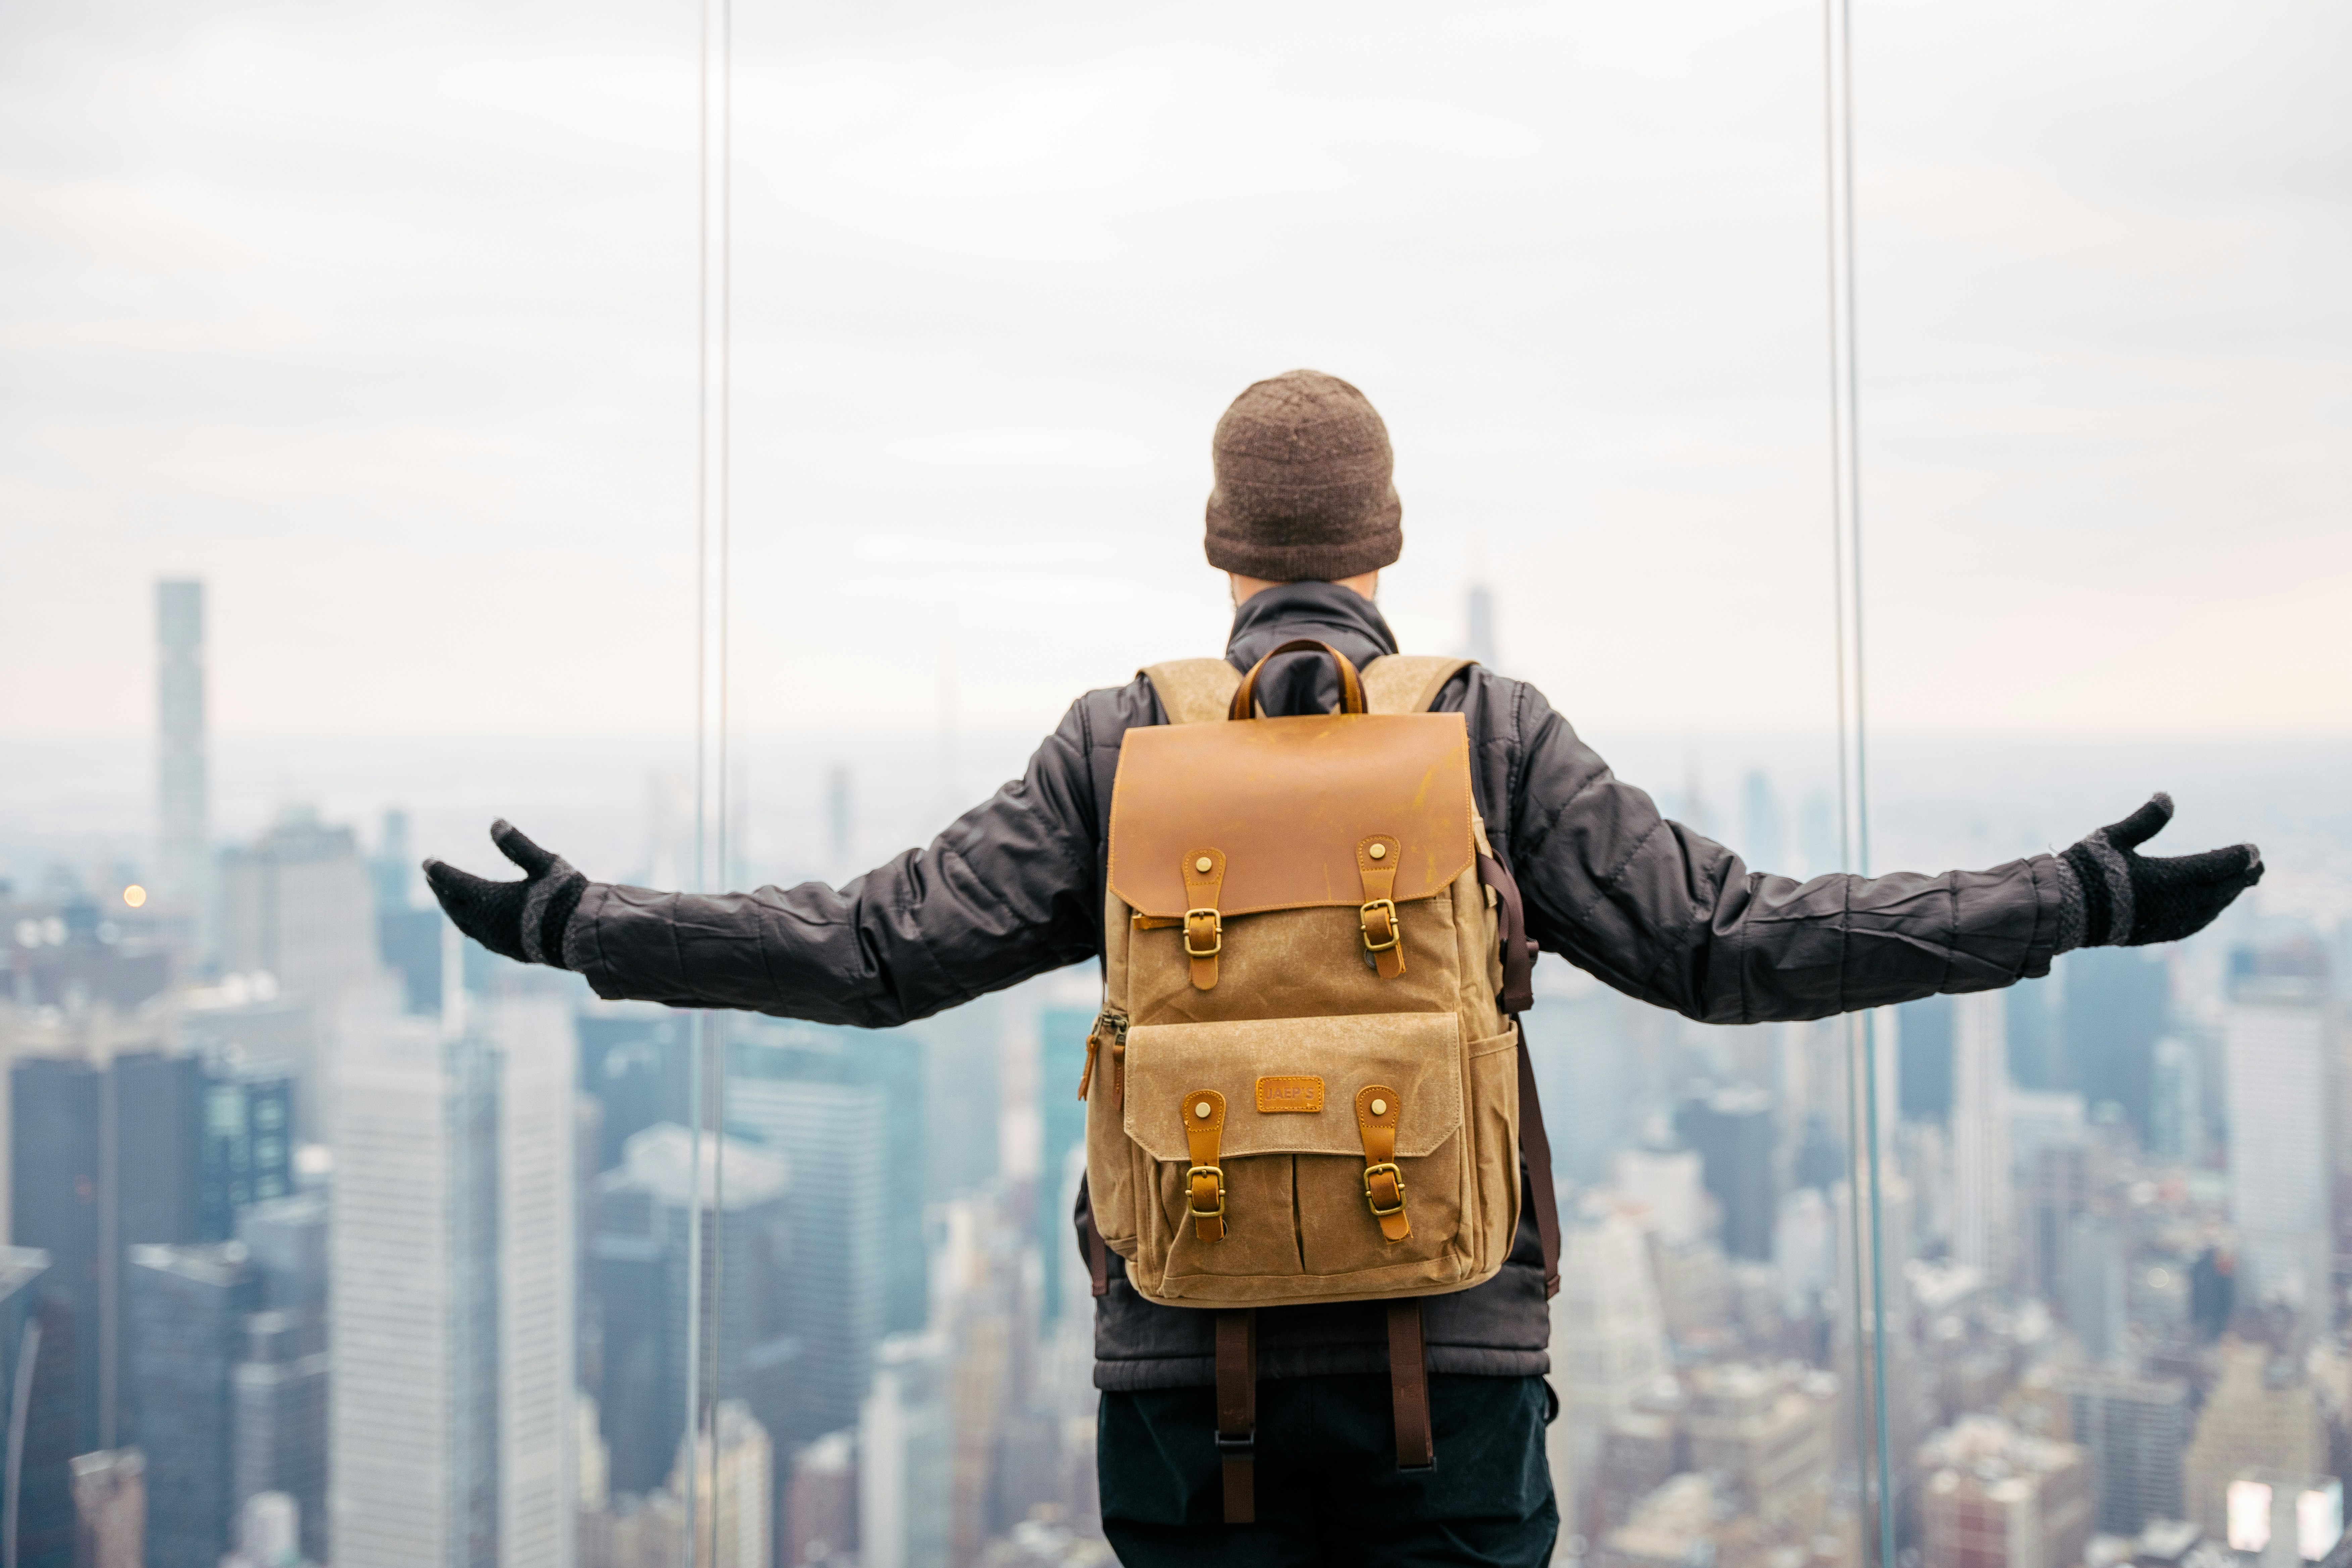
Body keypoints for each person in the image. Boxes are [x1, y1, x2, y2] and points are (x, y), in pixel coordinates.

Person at [427, 369, 2262, 1566]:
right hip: (1449, 1389)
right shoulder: (1486, 730)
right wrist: (2071, 898)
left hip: (1176, 1392)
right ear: (1386, 549)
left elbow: (874, 952)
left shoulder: (1120, 740)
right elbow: (1729, 945)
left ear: (1221, 555)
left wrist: (591, 924)